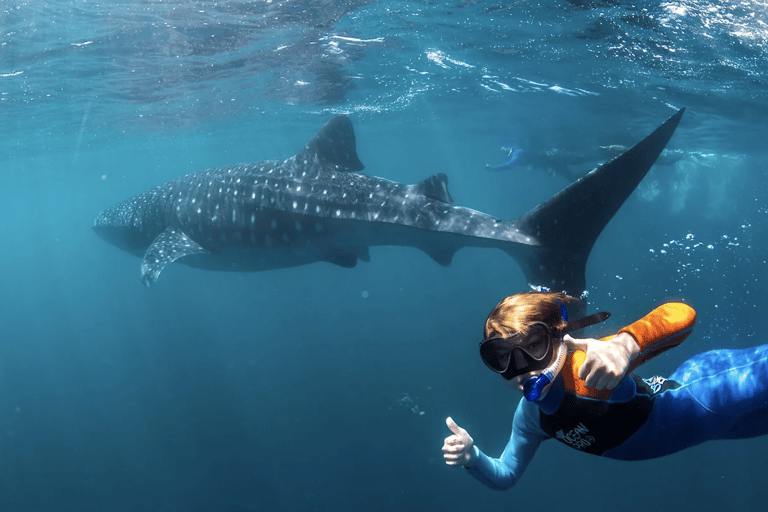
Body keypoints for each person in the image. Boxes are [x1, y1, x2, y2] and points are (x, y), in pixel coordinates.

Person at [442, 291, 768, 490]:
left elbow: (683, 315)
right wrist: (473, 459)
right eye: (503, 359)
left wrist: (625, 345)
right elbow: (506, 475)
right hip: (718, 427)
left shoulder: (588, 362)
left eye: (535, 346)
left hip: (708, 391)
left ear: (559, 337)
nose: (523, 369)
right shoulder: (531, 419)